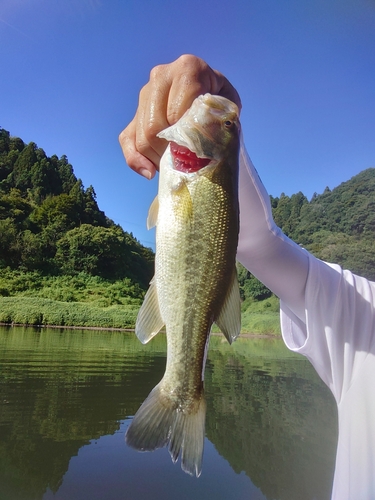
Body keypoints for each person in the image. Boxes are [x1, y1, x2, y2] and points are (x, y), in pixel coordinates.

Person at [119, 54, 375, 500]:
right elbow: (258, 241)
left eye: (229, 126)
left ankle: (182, 387)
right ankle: (183, 384)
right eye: (228, 128)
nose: (227, 121)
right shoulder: (363, 316)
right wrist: (207, 95)